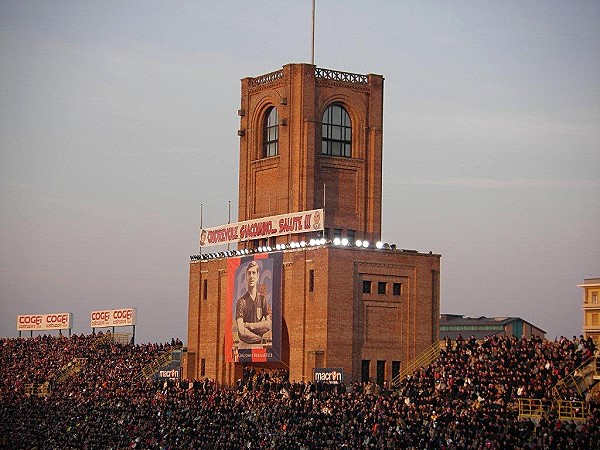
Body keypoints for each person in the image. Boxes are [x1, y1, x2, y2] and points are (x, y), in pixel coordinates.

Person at [235, 261, 271, 348]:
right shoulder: (241, 301)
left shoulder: (262, 299)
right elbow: (242, 332)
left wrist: (249, 325)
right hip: (244, 347)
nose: (251, 276)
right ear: (246, 277)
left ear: (258, 276)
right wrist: (259, 335)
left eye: (254, 273)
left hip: (259, 347)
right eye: (249, 273)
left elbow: (268, 325)